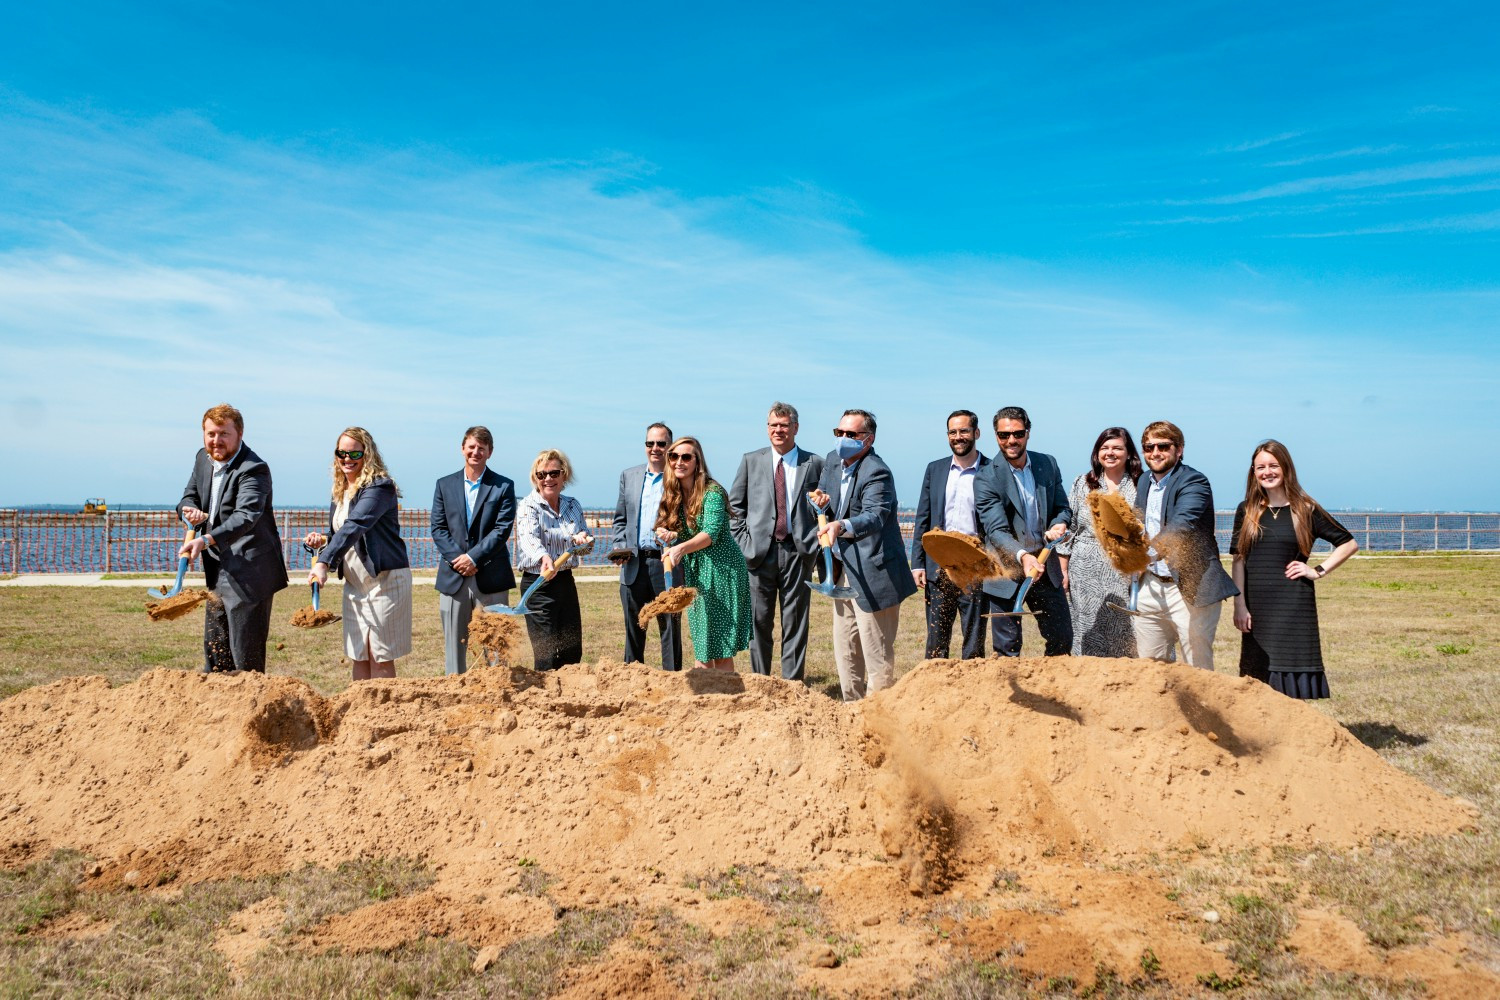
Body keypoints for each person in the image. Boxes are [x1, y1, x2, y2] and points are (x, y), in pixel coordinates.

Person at [1231, 439, 1358, 698]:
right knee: (1257, 677)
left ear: (1286, 468)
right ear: (1253, 473)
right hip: (1257, 606)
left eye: (1273, 465)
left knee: (1289, 676)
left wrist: (1317, 570)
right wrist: (1240, 605)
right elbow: (1238, 561)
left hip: (1293, 605)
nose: (1267, 472)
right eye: (1260, 467)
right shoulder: (1247, 510)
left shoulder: (1305, 508)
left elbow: (1348, 543)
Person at [810, 409, 918, 701]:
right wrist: (819, 501)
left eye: (851, 435)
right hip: (844, 570)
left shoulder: (877, 471)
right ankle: (852, 711)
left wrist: (841, 525)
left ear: (868, 440)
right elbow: (826, 499)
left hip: (875, 572)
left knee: (876, 651)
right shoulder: (833, 462)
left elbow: (875, 515)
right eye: (839, 433)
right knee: (845, 648)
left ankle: (879, 716)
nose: (843, 439)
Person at [176, 403, 287, 673]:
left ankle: (252, 710)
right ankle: (218, 710)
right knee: (216, 651)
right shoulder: (203, 458)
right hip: (216, 568)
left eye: (224, 434)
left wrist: (205, 539)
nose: (216, 441)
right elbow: (189, 495)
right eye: (211, 434)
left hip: (250, 572)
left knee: (244, 659)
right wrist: (187, 510)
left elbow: (246, 516)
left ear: (239, 434)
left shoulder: (254, 469)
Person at [727, 402, 825, 681]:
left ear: (795, 427)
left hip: (798, 552)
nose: (778, 430)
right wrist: (746, 544)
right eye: (773, 425)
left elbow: (824, 506)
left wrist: (814, 543)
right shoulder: (751, 460)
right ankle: (761, 682)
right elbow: (735, 508)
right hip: (759, 553)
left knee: (795, 621)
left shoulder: (814, 463)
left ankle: (792, 684)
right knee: (759, 621)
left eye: (783, 425)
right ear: (767, 428)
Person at [305, 427, 412, 681]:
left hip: (385, 582)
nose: (347, 458)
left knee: (379, 654)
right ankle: (360, 714)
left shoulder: (380, 487)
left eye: (354, 452)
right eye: (341, 452)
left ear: (368, 454)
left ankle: (382, 716)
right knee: (359, 654)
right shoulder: (341, 490)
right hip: (355, 585)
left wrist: (323, 562)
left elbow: (356, 525)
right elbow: (345, 533)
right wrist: (325, 539)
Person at [1132, 420, 1239, 669]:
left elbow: (1180, 526)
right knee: (1149, 666)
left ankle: (1202, 709)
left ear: (1179, 449)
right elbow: (1140, 523)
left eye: (1163, 446)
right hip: (1151, 586)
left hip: (1191, 587)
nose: (1155, 452)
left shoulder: (1195, 482)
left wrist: (1141, 557)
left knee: (1197, 667)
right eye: (1148, 447)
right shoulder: (1144, 481)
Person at [974, 406, 1072, 656]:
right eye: (1004, 435)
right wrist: (1023, 556)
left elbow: (1062, 508)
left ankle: (1052, 692)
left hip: (1045, 569)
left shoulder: (1047, 464)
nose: (1011, 440)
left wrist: (1059, 523)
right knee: (1007, 649)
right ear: (995, 436)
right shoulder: (986, 478)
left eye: (1017, 433)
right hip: (1007, 571)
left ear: (1028, 432)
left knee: (1061, 639)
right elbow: (995, 530)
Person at [656, 437, 752, 669]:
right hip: (698, 570)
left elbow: (710, 534)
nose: (679, 462)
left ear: (697, 462)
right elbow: (682, 531)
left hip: (722, 571)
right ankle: (709, 695)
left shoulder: (713, 492)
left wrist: (680, 548)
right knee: (703, 640)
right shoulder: (674, 494)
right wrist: (670, 535)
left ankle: (723, 698)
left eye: (686, 457)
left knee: (719, 646)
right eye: (674, 456)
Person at [430, 425, 516, 674]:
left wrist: (473, 557)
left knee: (497, 648)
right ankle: (455, 698)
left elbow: (502, 530)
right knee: (454, 650)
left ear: (490, 452)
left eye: (482, 448)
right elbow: (438, 528)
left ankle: (499, 697)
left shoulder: (503, 486)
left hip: (491, 577)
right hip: (453, 577)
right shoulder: (444, 485)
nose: (475, 452)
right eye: (471, 447)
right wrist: (460, 560)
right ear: (462, 449)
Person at [910, 409, 992, 659]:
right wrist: (917, 564)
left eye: (964, 431)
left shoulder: (992, 470)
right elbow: (923, 518)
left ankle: (970, 691)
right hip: (939, 566)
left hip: (976, 567)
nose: (958, 436)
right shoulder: (934, 469)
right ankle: (935, 691)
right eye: (953, 432)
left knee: (974, 641)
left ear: (976, 433)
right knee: (936, 640)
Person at [1056, 427, 1143, 657]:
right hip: (1084, 571)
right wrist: (1063, 568)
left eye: (1117, 448)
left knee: (1126, 634)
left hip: (1123, 569)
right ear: (1097, 453)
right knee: (1087, 631)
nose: (1110, 453)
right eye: (1105, 448)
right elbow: (1071, 528)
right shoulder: (1082, 483)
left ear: (1128, 453)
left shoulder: (1141, 484)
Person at [611, 423, 684, 670]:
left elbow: (689, 521)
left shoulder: (681, 478)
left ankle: (672, 681)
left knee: (670, 628)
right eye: (650, 443)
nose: (655, 448)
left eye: (661, 443)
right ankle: (632, 679)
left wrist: (676, 537)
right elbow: (621, 519)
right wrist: (620, 546)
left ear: (669, 447)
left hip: (666, 565)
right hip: (633, 564)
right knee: (634, 628)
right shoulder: (628, 476)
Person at [515, 449, 593, 671]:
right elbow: (528, 538)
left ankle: (567, 697)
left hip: (565, 582)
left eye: (554, 473)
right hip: (538, 585)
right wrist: (544, 557)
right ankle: (545, 700)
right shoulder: (528, 506)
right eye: (542, 475)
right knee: (546, 652)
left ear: (564, 475)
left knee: (571, 649)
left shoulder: (572, 505)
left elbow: (585, 546)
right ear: (535, 478)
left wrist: (582, 540)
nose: (548, 479)